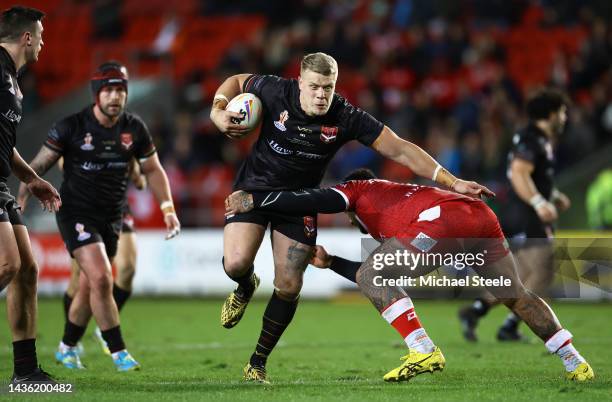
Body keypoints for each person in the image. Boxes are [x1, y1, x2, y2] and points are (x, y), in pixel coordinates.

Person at [210, 52, 493, 383]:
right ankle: (245, 286)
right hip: (253, 191)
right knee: (236, 263)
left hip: (300, 200)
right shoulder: (274, 90)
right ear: (299, 82)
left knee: (289, 284)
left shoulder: (345, 116)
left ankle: (256, 363)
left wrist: (452, 181)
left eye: (328, 87)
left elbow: (400, 149)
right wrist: (217, 110)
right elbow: (235, 82)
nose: (320, 95)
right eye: (314, 86)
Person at [224, 168, 594, 382]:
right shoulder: (394, 197)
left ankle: (423, 351)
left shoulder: (357, 190)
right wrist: (333, 260)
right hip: (477, 216)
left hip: (443, 221)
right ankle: (575, 362)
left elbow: (313, 199)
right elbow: (381, 276)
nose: (352, 221)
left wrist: (257, 201)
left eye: (349, 215)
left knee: (374, 272)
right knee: (514, 293)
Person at [18, 61, 180, 372]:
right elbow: (40, 163)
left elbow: (153, 170)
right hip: (76, 212)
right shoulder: (72, 126)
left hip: (112, 216)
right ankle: (118, 350)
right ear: (96, 95)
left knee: (89, 287)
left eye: (121, 90)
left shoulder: (134, 128)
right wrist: (25, 189)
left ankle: (66, 347)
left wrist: (168, 209)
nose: (115, 97)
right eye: (109, 90)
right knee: (103, 277)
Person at [459, 89, 571, 342]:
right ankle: (508, 325)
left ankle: (478, 311)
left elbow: (532, 175)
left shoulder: (530, 137)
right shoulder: (535, 139)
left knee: (522, 275)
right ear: (551, 114)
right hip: (527, 214)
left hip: (521, 212)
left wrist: (552, 194)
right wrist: (539, 201)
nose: (564, 118)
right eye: (562, 112)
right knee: (541, 273)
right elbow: (520, 173)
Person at [0, 5, 60, 384]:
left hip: (2, 181)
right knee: (7, 264)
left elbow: (5, 146)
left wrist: (33, 178)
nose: (43, 41)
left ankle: (25, 373)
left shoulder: (12, 81)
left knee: (26, 270)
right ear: (26, 37)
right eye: (40, 35)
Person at [60, 157, 146, 355]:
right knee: (79, 280)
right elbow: (63, 161)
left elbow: (140, 170)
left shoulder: (128, 131)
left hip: (117, 206)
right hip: (83, 206)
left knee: (127, 269)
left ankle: (104, 327)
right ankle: (72, 340)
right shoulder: (77, 129)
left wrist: (138, 175)